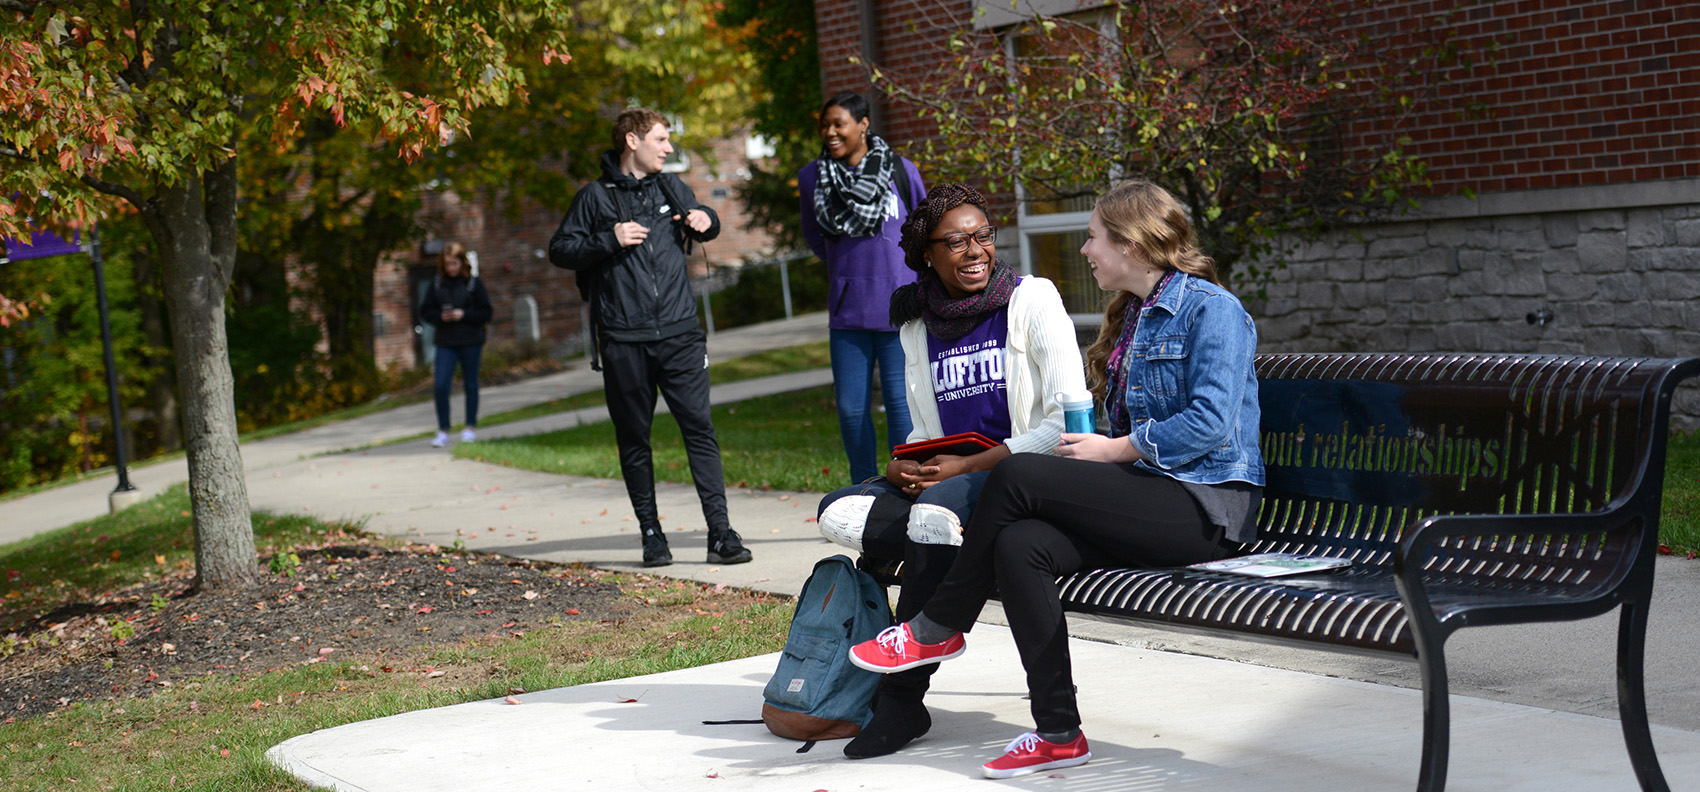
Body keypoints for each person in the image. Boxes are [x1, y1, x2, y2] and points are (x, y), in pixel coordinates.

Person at [847, 180, 1265, 779]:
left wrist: (1114, 448)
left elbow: (1208, 421)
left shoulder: (1212, 309)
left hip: (1205, 506)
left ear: (1133, 243)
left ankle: (937, 626)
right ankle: (1058, 732)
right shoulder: (1135, 317)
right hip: (1150, 496)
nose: (1087, 250)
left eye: (1094, 238)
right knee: (1022, 545)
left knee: (1016, 472)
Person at [814, 183, 1086, 760]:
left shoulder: (1031, 300)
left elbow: (1068, 420)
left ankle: (901, 704)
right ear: (926, 254)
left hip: (1025, 471)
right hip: (953, 477)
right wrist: (903, 463)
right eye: (956, 242)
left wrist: (972, 464)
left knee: (933, 519)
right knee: (840, 511)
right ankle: (951, 576)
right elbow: (922, 428)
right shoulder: (916, 321)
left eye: (983, 237)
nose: (975, 251)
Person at [548, 107, 752, 569]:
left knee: (700, 431)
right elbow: (560, 250)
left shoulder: (669, 186)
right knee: (634, 439)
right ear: (632, 141)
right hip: (623, 339)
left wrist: (706, 218)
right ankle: (651, 534)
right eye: (661, 139)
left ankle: (720, 534)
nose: (669, 147)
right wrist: (610, 238)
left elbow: (705, 217)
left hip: (680, 334)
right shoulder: (594, 198)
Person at [799, 91, 926, 485]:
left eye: (839, 124)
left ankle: (904, 490)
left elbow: (923, 229)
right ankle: (861, 494)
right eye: (826, 126)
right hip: (848, 316)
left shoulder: (901, 170)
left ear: (863, 125)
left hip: (898, 312)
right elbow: (815, 240)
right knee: (852, 412)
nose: (830, 132)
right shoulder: (812, 177)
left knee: (901, 409)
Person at [419, 242, 493, 448]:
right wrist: (441, 317)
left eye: (454, 263)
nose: (451, 267)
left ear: (462, 262)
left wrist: (464, 315)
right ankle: (443, 430)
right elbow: (425, 311)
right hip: (446, 342)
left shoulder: (473, 284)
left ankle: (469, 428)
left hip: (471, 340)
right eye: (447, 264)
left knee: (471, 384)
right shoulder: (437, 285)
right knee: (441, 385)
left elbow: (486, 312)